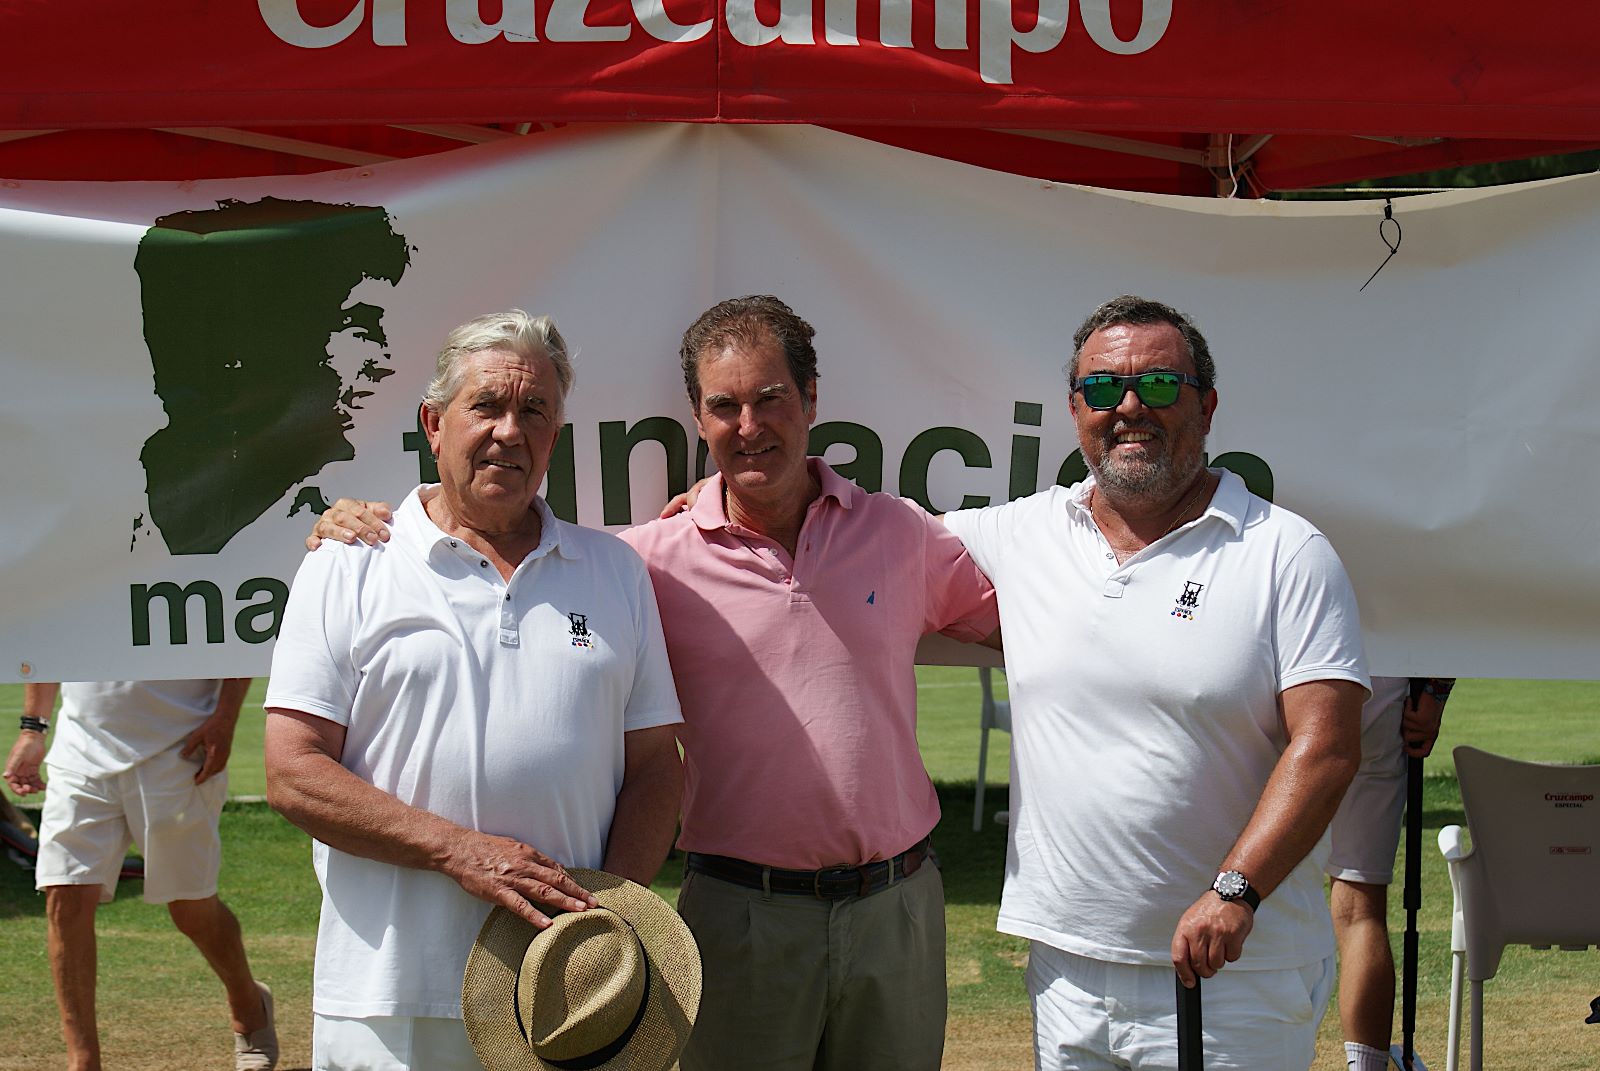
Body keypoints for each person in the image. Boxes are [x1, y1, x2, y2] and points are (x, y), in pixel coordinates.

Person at [309, 295, 1000, 1071]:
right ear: (698, 421)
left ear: (811, 400)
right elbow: (489, 536)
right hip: (742, 915)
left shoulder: (899, 532)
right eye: (724, 406)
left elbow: (1038, 615)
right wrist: (363, 521)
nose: (749, 426)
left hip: (896, 907)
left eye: (770, 398)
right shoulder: (644, 561)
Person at [941, 295, 1369, 1070]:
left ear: (1206, 407)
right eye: (1104, 390)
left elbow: (1329, 746)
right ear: (1076, 411)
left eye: (1160, 387)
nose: (1130, 407)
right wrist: (721, 497)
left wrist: (1236, 891)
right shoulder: (1020, 533)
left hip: (1234, 973)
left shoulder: (1287, 552)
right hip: (1066, 971)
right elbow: (858, 532)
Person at [264, 310, 684, 1070]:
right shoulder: (350, 562)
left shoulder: (615, 570)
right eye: (486, 405)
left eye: (534, 412)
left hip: (561, 1002)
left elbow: (657, 764)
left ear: (555, 435)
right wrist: (458, 849)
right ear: (433, 421)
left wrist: (604, 923)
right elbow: (293, 771)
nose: (509, 431)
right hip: (388, 1003)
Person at [3, 679, 277, 1071]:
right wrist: (33, 728)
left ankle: (249, 1002)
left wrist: (226, 718)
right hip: (79, 752)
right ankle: (83, 1061)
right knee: (64, 895)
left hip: (182, 748)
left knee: (191, 908)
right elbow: (49, 641)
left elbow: (227, 639)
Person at [1328, 675, 1453, 1071]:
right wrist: (1434, 693)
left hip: (1289, 676)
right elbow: (1446, 610)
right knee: (1359, 910)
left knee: (1264, 894)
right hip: (1381, 688)